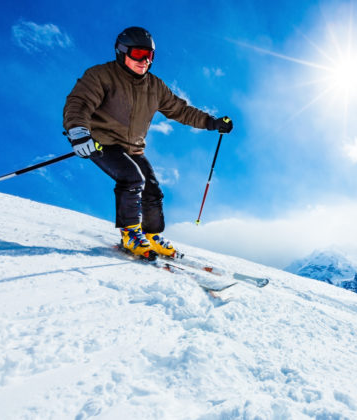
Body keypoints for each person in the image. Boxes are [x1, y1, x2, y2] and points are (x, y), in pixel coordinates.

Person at [63, 26, 232, 259]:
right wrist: (79, 132)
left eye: (150, 56)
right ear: (121, 52)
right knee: (132, 178)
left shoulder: (155, 86)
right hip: (102, 142)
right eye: (138, 54)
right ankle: (130, 233)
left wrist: (211, 123)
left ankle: (151, 235)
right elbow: (79, 103)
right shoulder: (101, 75)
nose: (145, 61)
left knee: (152, 190)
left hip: (133, 147)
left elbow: (180, 111)